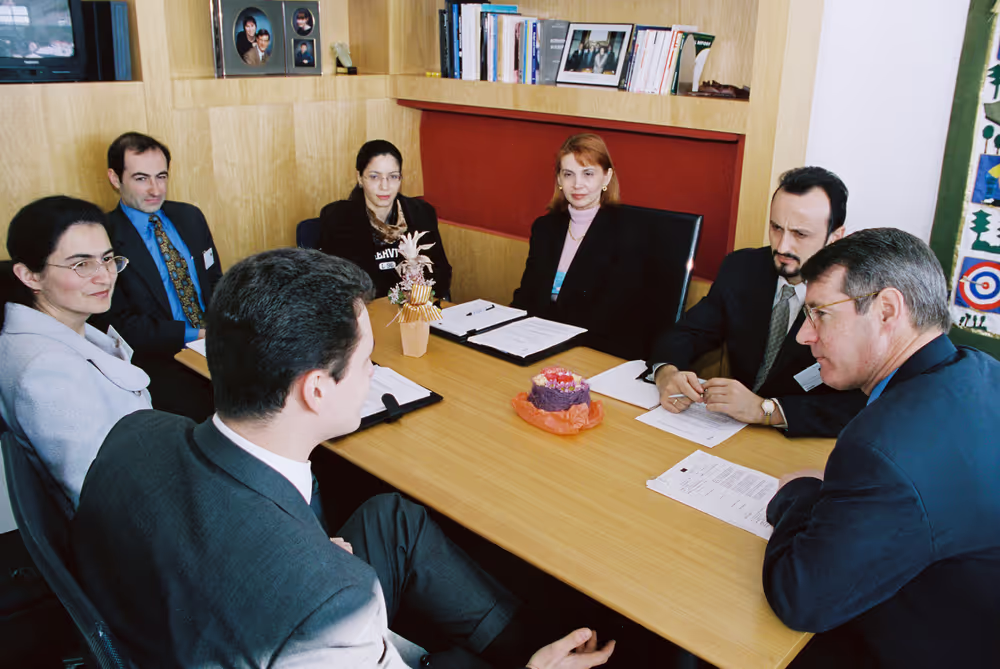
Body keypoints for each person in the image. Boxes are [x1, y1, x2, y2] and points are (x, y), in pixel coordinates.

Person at [71, 248, 615, 668]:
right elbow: (302, 603)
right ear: (316, 390)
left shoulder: (136, 433)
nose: (373, 374)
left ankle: (524, 641)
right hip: (298, 627)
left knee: (392, 516)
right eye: (367, 361)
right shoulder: (334, 608)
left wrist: (307, 549)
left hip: (203, 610)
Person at [763, 228, 1000, 668]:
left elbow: (801, 600)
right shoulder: (981, 369)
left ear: (886, 310)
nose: (804, 335)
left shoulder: (882, 448)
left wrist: (799, 493)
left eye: (820, 314)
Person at [648, 166, 867, 438]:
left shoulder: (857, 296)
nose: (783, 246)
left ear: (835, 237)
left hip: (804, 442)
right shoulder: (743, 267)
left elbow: (862, 404)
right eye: (776, 228)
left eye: (800, 234)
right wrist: (666, 373)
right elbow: (688, 333)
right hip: (730, 432)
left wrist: (767, 410)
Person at [0, 196, 150, 513]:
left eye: (107, 259)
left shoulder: (70, 329)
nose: (105, 276)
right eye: (82, 264)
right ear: (30, 275)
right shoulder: (45, 370)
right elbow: (108, 498)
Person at [94, 131, 220, 422]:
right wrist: (198, 335)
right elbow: (120, 324)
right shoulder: (104, 236)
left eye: (161, 177)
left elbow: (215, 280)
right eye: (141, 178)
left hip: (217, 344)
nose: (155, 189)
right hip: (159, 360)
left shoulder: (190, 217)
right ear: (115, 179)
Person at [511, 133, 661, 359]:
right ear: (559, 179)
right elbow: (527, 295)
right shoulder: (545, 227)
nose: (577, 184)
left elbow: (615, 313)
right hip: (538, 340)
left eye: (588, 173)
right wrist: (506, 328)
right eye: (568, 174)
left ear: (606, 177)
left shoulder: (629, 232)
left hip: (597, 348)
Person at [318, 139, 453, 300]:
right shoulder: (338, 217)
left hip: (416, 306)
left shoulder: (421, 213)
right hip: (367, 310)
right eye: (374, 177)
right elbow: (342, 284)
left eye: (393, 176)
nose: (385, 186)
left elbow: (441, 273)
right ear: (360, 178)